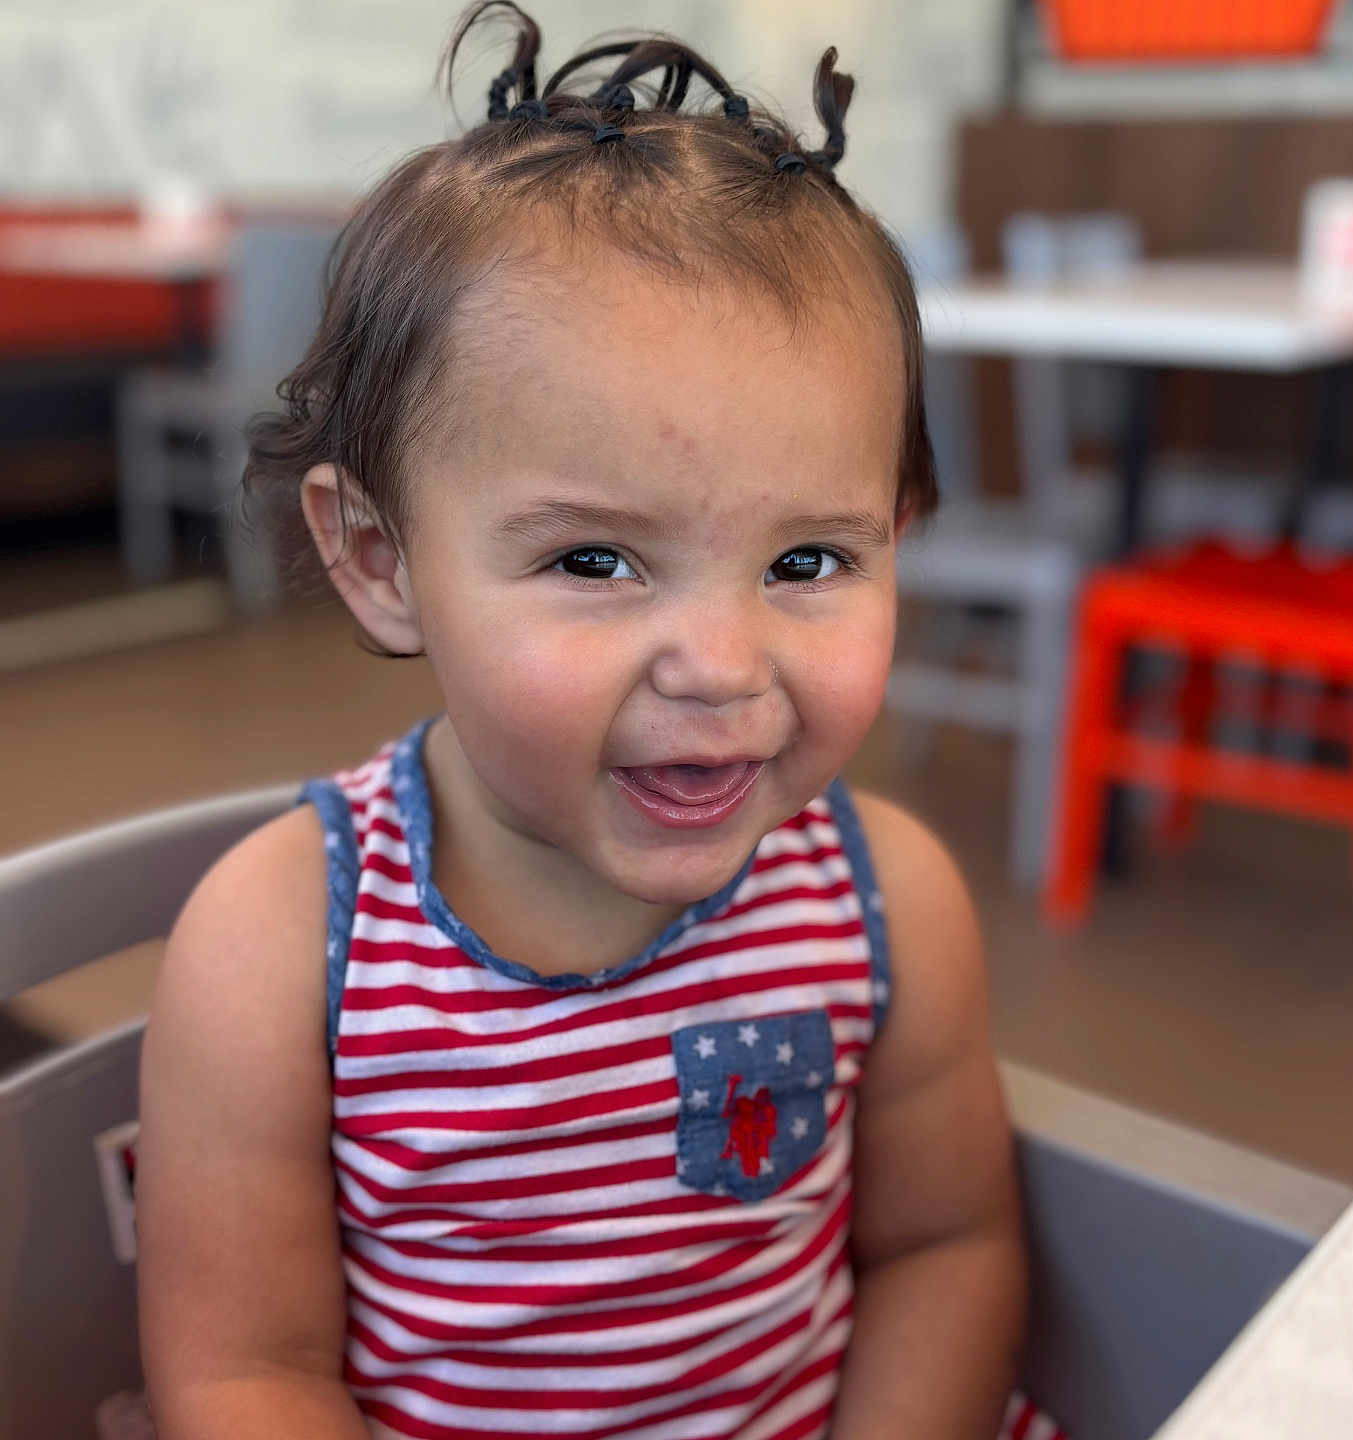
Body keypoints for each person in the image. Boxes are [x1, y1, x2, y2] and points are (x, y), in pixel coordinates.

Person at [136, 5, 1029, 1437]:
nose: (724, 665)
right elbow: (250, 1376)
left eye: (810, 561)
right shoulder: (283, 950)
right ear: (383, 561)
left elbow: (946, 1250)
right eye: (594, 561)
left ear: (900, 535)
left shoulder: (882, 903)